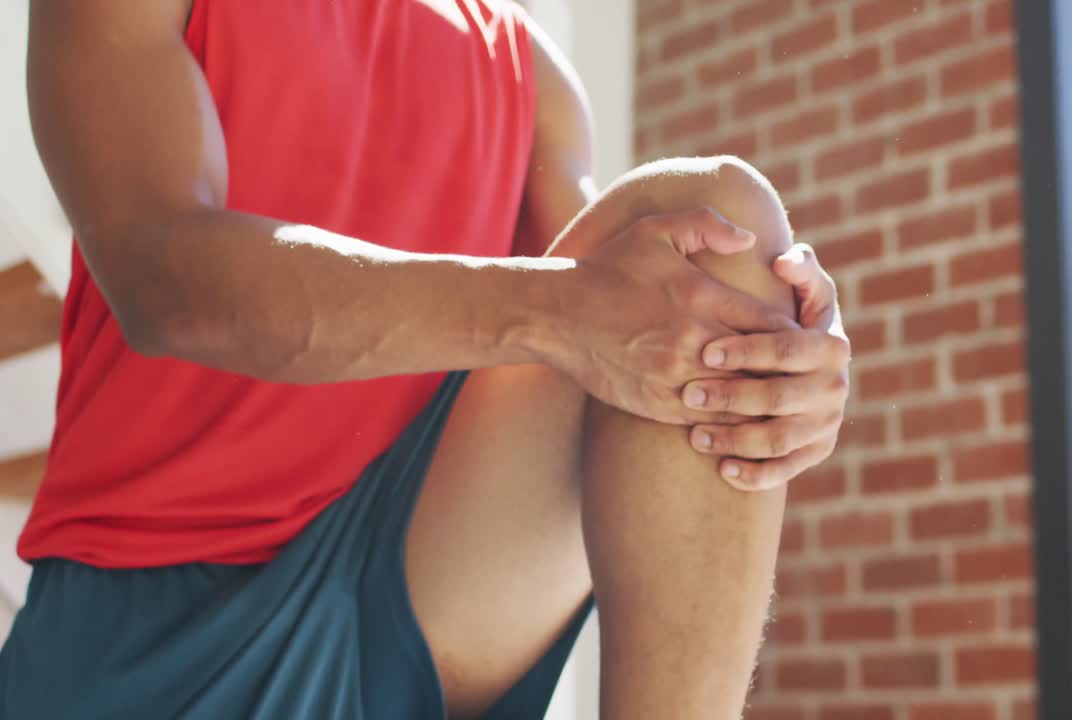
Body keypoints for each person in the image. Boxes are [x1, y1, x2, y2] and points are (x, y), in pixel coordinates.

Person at [1, 1, 850, 718]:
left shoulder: (526, 68)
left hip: (412, 585)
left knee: (714, 237)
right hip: (145, 619)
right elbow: (163, 276)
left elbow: (642, 317)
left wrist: (781, 363)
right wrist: (557, 310)